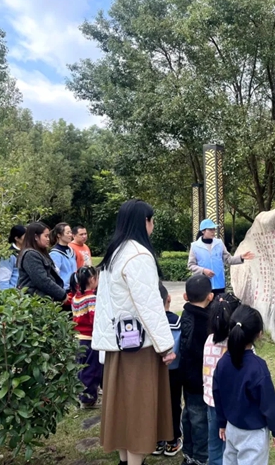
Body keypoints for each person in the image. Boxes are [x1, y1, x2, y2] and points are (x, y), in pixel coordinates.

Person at [91, 199, 176, 465]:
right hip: (139, 348)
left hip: (117, 347)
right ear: (145, 222)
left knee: (122, 412)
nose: (152, 226)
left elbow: (104, 305)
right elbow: (150, 305)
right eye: (151, 221)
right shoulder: (139, 254)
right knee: (139, 411)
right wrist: (166, 345)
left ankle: (125, 462)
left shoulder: (114, 253)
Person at [213, 306, 275, 465]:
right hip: (253, 434)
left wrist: (222, 422)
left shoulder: (223, 361)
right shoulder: (258, 368)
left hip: (231, 428)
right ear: (259, 334)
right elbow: (268, 402)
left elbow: (217, 393)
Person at [179, 274, 214, 465]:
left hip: (186, 376)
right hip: (201, 379)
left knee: (189, 415)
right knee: (200, 419)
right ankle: (200, 458)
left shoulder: (185, 314)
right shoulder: (208, 322)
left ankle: (188, 453)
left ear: (185, 296)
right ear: (210, 296)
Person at [203, 294, 236, 465]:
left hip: (211, 401)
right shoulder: (236, 344)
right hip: (231, 402)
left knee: (215, 440)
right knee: (231, 441)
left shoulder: (209, 341)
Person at [153, 282, 183, 458]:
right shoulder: (177, 321)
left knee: (154, 404)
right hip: (174, 371)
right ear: (169, 299)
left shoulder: (148, 323)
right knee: (173, 405)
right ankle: (172, 441)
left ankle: (156, 441)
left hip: (153, 372)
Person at [188, 219, 255, 295]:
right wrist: (203, 270)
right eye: (210, 229)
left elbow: (228, 259)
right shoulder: (195, 246)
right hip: (202, 284)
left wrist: (241, 257)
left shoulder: (219, 243)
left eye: (214, 229)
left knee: (219, 306)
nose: (213, 231)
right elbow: (191, 265)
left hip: (219, 283)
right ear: (203, 231)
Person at [70, 266, 103, 409]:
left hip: (78, 338)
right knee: (91, 370)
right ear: (92, 279)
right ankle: (88, 399)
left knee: (81, 369)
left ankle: (80, 395)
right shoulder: (91, 299)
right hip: (89, 340)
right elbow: (95, 319)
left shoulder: (76, 297)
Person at [17, 222, 67, 302]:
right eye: (46, 236)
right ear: (36, 237)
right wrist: (62, 295)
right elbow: (42, 280)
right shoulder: (30, 255)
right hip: (35, 303)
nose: (48, 239)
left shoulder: (40, 252)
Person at [49, 222, 78, 293]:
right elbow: (55, 274)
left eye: (70, 232)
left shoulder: (71, 250)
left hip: (74, 288)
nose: (70, 235)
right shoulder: (55, 254)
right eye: (67, 233)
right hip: (63, 290)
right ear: (59, 235)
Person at [0, 225, 26, 290]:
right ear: (17, 238)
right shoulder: (9, 255)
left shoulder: (27, 252)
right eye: (25, 236)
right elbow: (3, 281)